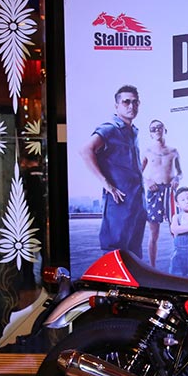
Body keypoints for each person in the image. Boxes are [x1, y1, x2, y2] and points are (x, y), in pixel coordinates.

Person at [80, 85, 146, 258]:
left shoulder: (133, 131)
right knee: (115, 254)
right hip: (119, 201)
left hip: (136, 201)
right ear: (117, 106)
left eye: (135, 102)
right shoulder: (109, 128)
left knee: (134, 254)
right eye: (126, 102)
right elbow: (85, 151)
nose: (131, 106)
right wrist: (106, 184)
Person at [140, 119, 182, 267]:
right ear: (150, 134)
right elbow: (138, 171)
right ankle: (153, 267)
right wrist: (147, 181)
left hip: (170, 192)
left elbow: (180, 172)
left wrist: (177, 178)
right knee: (154, 233)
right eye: (153, 129)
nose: (156, 130)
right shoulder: (147, 151)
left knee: (175, 229)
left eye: (159, 127)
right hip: (154, 192)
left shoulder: (173, 151)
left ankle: (180, 264)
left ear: (165, 129)